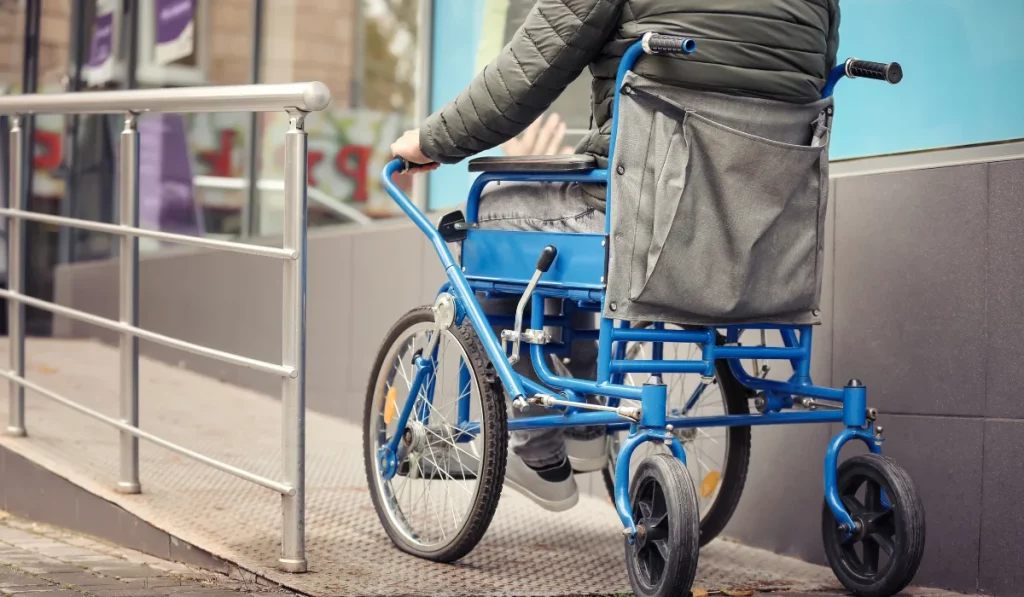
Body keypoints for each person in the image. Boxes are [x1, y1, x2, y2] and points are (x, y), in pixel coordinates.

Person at [391, 0, 841, 512]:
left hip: (644, 216)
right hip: (760, 229)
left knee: (489, 212)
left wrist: (431, 140)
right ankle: (586, 428)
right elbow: (815, 78)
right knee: (584, 225)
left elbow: (530, 67)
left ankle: (539, 451)